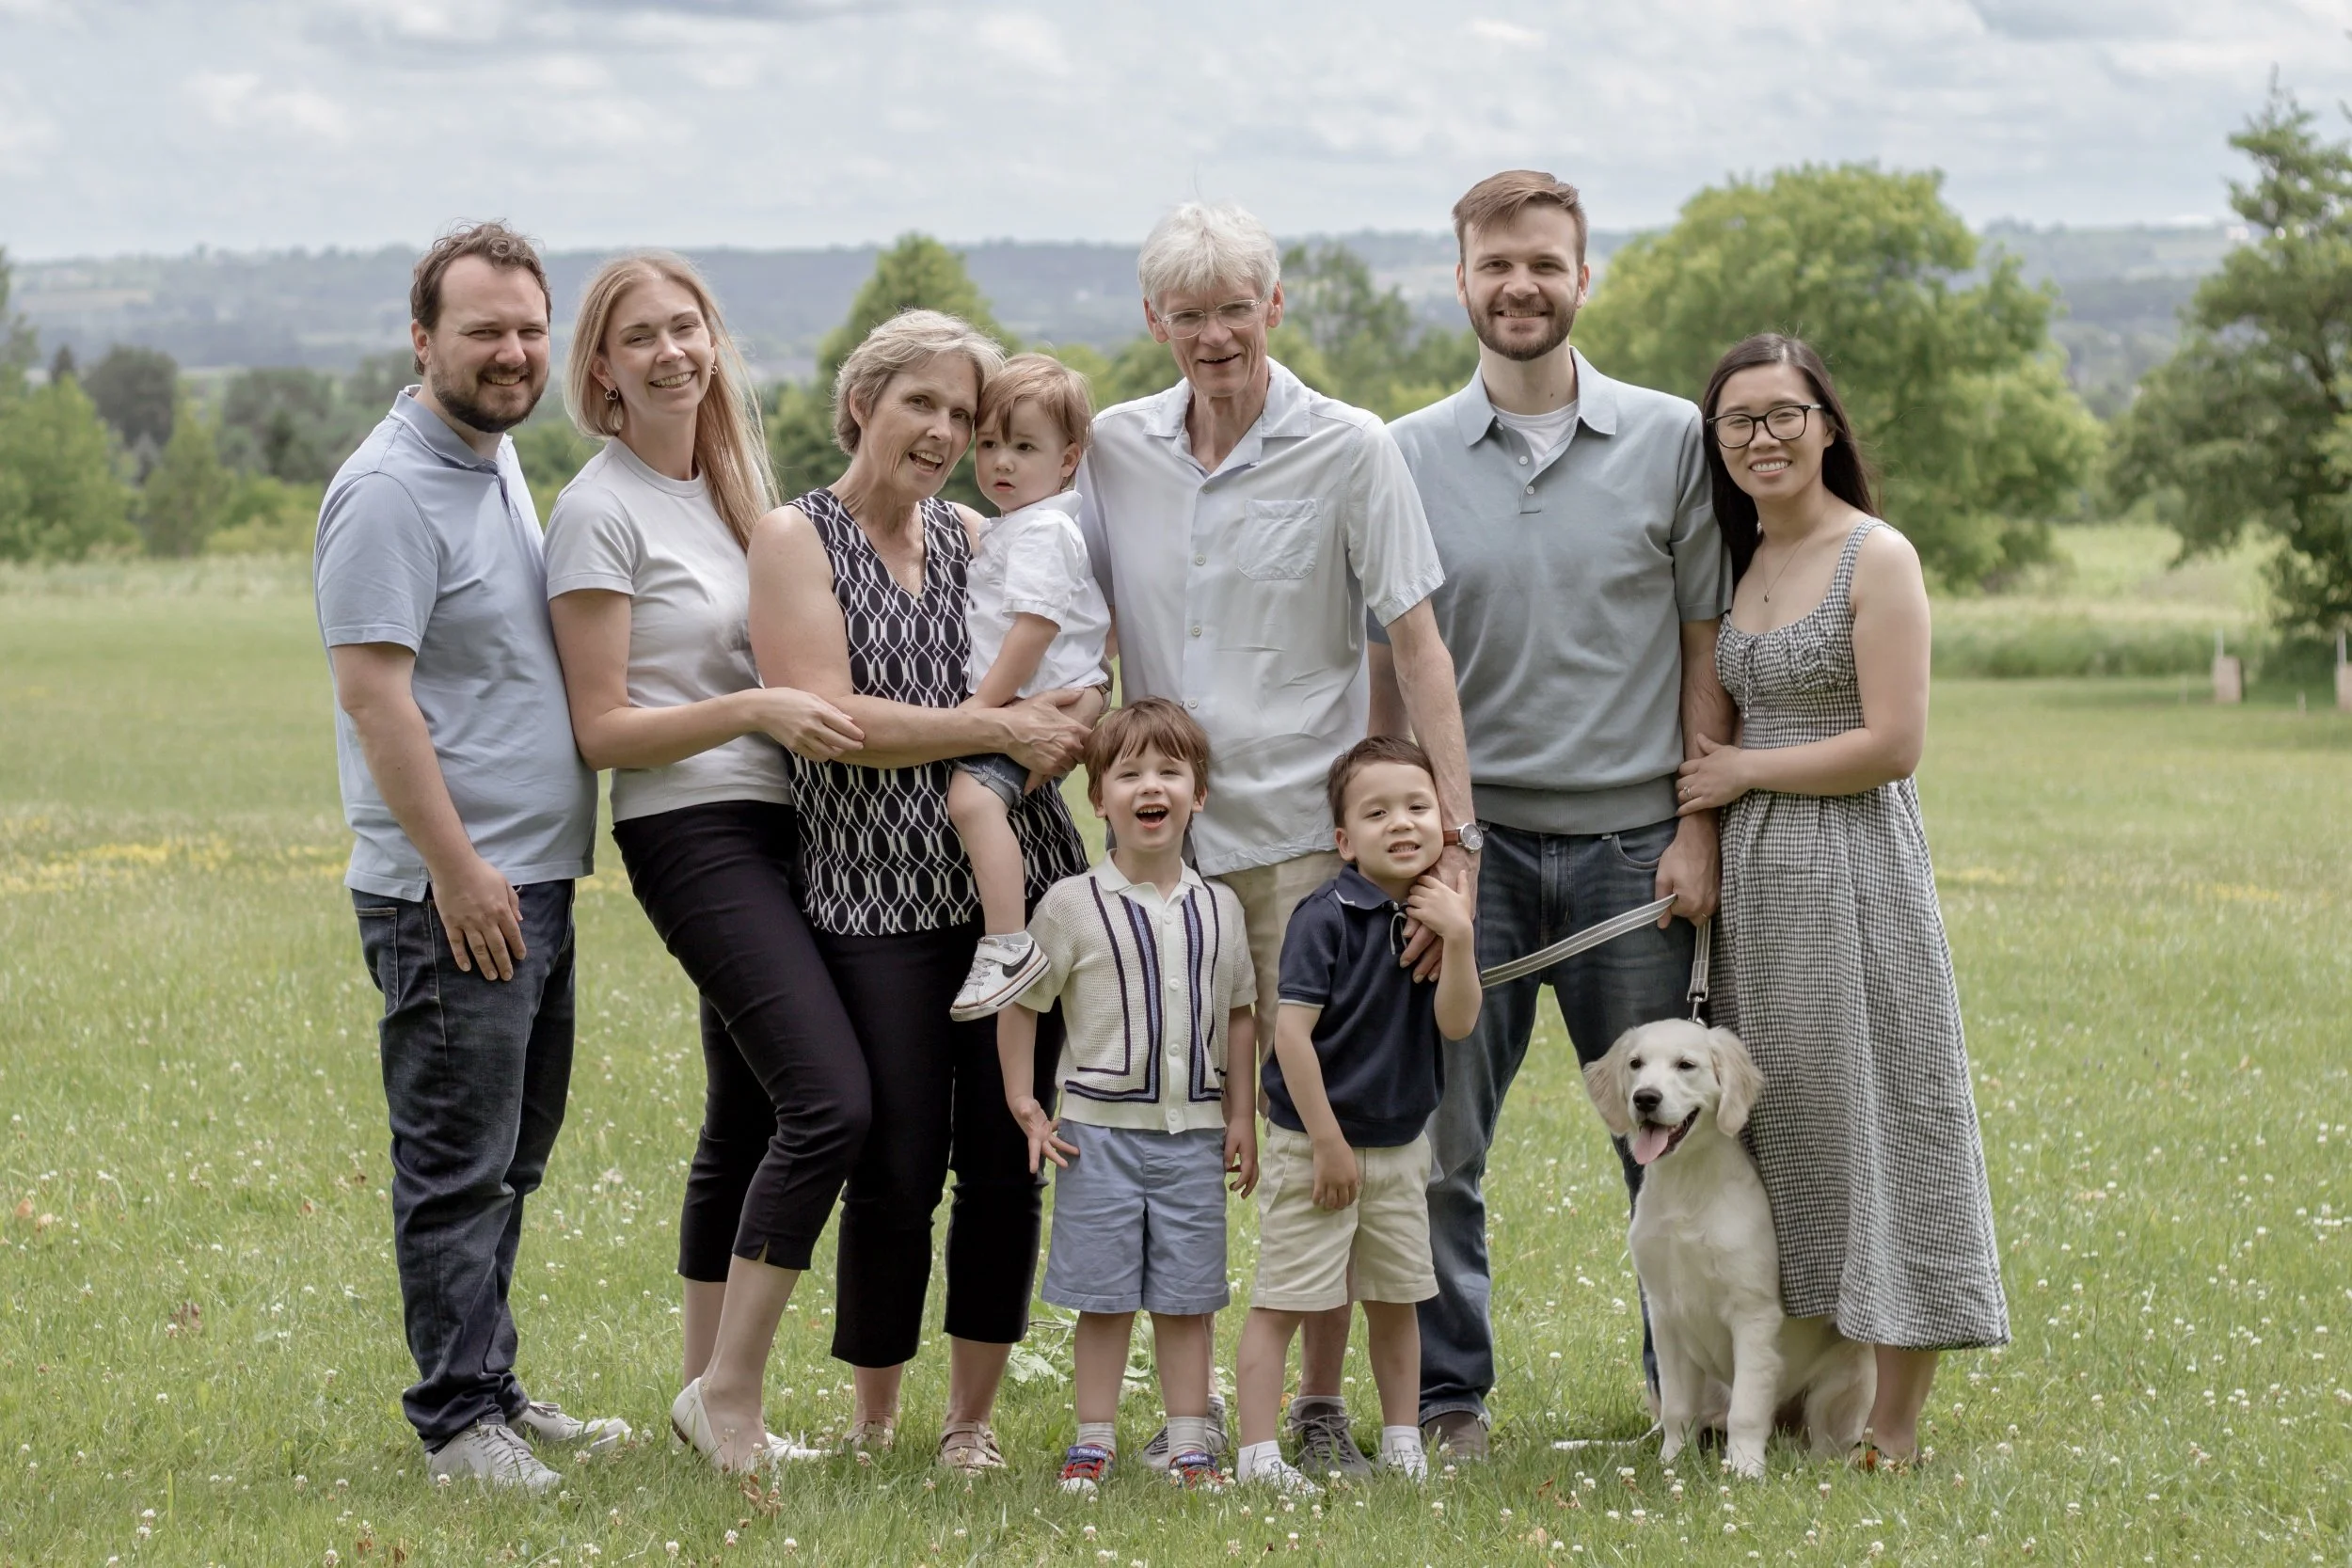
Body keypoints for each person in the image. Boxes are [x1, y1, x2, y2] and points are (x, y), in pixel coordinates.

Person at [1077, 200, 1476, 1475]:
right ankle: (1190, 1413)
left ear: (1275, 306)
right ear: (1156, 322)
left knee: (1324, 1124)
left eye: (1232, 310)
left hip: (1315, 852)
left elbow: (1415, 645)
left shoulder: (1352, 448)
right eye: (1185, 315)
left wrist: (1450, 838)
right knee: (1183, 1128)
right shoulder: (1114, 449)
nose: (1211, 336)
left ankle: (1318, 1404)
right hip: (1163, 855)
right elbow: (1066, 608)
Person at [1379, 169, 1734, 1458]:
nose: (1519, 285)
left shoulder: (1669, 441)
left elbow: (1705, 639)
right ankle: (1446, 1399)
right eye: (1495, 264)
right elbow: (1389, 662)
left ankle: (1680, 1396)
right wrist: (1411, 844)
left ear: (1585, 277)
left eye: (1545, 262)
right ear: (1460, 276)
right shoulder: (1402, 452)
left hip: (1633, 853)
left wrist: (1694, 823)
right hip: (1468, 856)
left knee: (1666, 1144)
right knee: (1436, 1147)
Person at [745, 309, 1100, 1472]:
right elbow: (833, 721)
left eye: (964, 413)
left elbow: (1059, 675)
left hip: (1020, 892)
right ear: (863, 403)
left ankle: (971, 1422)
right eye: (923, 405)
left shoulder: (972, 534)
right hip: (871, 902)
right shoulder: (796, 537)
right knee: (892, 1165)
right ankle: (874, 1416)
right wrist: (995, 723)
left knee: (1005, 1159)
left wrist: (1047, 729)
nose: (946, 432)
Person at [541, 252, 868, 1473]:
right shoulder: (600, 507)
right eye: (643, 337)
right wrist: (757, 709)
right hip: (690, 829)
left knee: (743, 1113)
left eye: (688, 327)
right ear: (605, 370)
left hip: (786, 821)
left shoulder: (737, 495)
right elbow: (603, 728)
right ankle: (729, 1393)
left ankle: (705, 1401)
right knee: (830, 1097)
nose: (672, 351)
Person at [315, 222, 626, 1491]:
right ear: (423, 337)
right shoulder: (392, 486)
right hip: (457, 891)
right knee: (454, 1162)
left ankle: (492, 1384)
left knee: (512, 1154)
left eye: (528, 329)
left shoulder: (486, 460)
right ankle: (457, 1422)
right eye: (484, 328)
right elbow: (375, 698)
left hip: (529, 878)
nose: (512, 351)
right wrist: (458, 871)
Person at [1674, 333, 2010, 1468]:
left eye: (1781, 414)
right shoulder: (1732, 559)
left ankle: (1896, 1427)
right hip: (1760, 891)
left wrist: (1743, 773)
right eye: (1737, 422)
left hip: (1857, 871)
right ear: (1715, 445)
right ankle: (1777, 1397)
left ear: (1825, 424)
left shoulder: (1877, 555)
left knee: (1887, 1125)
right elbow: (1707, 726)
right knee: (1789, 1137)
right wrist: (1707, 822)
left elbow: (1894, 743)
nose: (1761, 438)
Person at [994, 699, 1258, 1493]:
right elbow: (1022, 1003)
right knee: (1103, 1300)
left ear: (1198, 795)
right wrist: (1023, 1100)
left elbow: (1240, 1012)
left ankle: (1189, 1445)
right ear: (1098, 795)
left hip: (1193, 1140)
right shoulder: (1072, 904)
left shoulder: (1222, 906)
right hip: (1095, 1138)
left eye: (1171, 771)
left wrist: (1241, 1111)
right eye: (1130, 772)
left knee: (1187, 1301)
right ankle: (1093, 1440)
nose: (1152, 786)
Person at [1233, 736, 1480, 1495]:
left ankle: (1404, 1440)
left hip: (1402, 1143)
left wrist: (1461, 935)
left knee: (1397, 1295)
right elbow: (1290, 1036)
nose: (1401, 823)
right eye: (1377, 812)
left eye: (1416, 807)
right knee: (1287, 1295)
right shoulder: (1326, 915)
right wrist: (1328, 1144)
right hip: (1317, 1142)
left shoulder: (1436, 912)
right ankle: (1258, 1455)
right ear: (1345, 840)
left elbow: (1459, 1023)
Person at [947, 354, 1114, 1021]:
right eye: (989, 444)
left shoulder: (1045, 531)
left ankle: (1007, 943)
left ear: (1069, 458)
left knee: (971, 801)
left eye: (1023, 447)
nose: (1001, 463)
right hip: (1047, 698)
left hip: (1039, 702)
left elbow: (1034, 628)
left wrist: (980, 710)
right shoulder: (1016, 526)